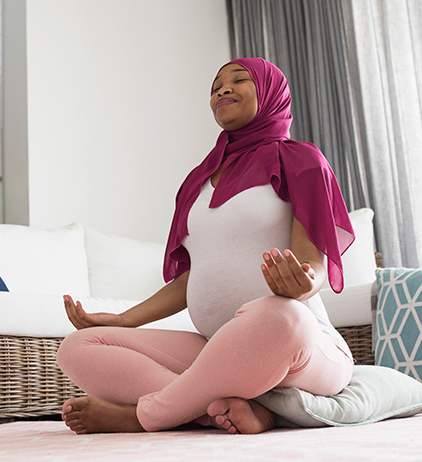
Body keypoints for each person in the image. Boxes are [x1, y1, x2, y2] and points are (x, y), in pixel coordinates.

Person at [57, 57, 355, 435]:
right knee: (78, 345)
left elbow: (311, 262)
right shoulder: (197, 181)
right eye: (216, 87)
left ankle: (145, 415)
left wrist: (302, 284)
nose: (223, 90)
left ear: (271, 94)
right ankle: (224, 409)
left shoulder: (301, 160)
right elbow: (194, 278)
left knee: (282, 316)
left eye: (239, 80)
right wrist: (122, 319)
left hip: (299, 345)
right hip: (217, 349)